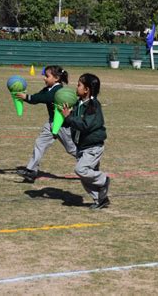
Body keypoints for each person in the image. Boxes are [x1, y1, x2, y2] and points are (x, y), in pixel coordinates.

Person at [16, 65, 77, 183]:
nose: (44, 78)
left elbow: (46, 98)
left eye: (47, 76)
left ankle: (89, 161)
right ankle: (31, 171)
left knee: (71, 149)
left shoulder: (58, 90)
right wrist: (25, 97)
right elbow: (37, 98)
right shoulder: (48, 88)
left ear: (57, 78)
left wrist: (27, 97)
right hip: (51, 123)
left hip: (62, 126)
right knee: (40, 143)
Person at [61, 73, 110, 210]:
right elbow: (73, 123)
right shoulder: (78, 104)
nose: (76, 87)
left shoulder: (93, 106)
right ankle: (100, 199)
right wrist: (65, 118)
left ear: (87, 89)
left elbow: (85, 125)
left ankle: (103, 179)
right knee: (85, 178)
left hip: (93, 147)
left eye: (79, 85)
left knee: (80, 169)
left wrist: (69, 118)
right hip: (82, 147)